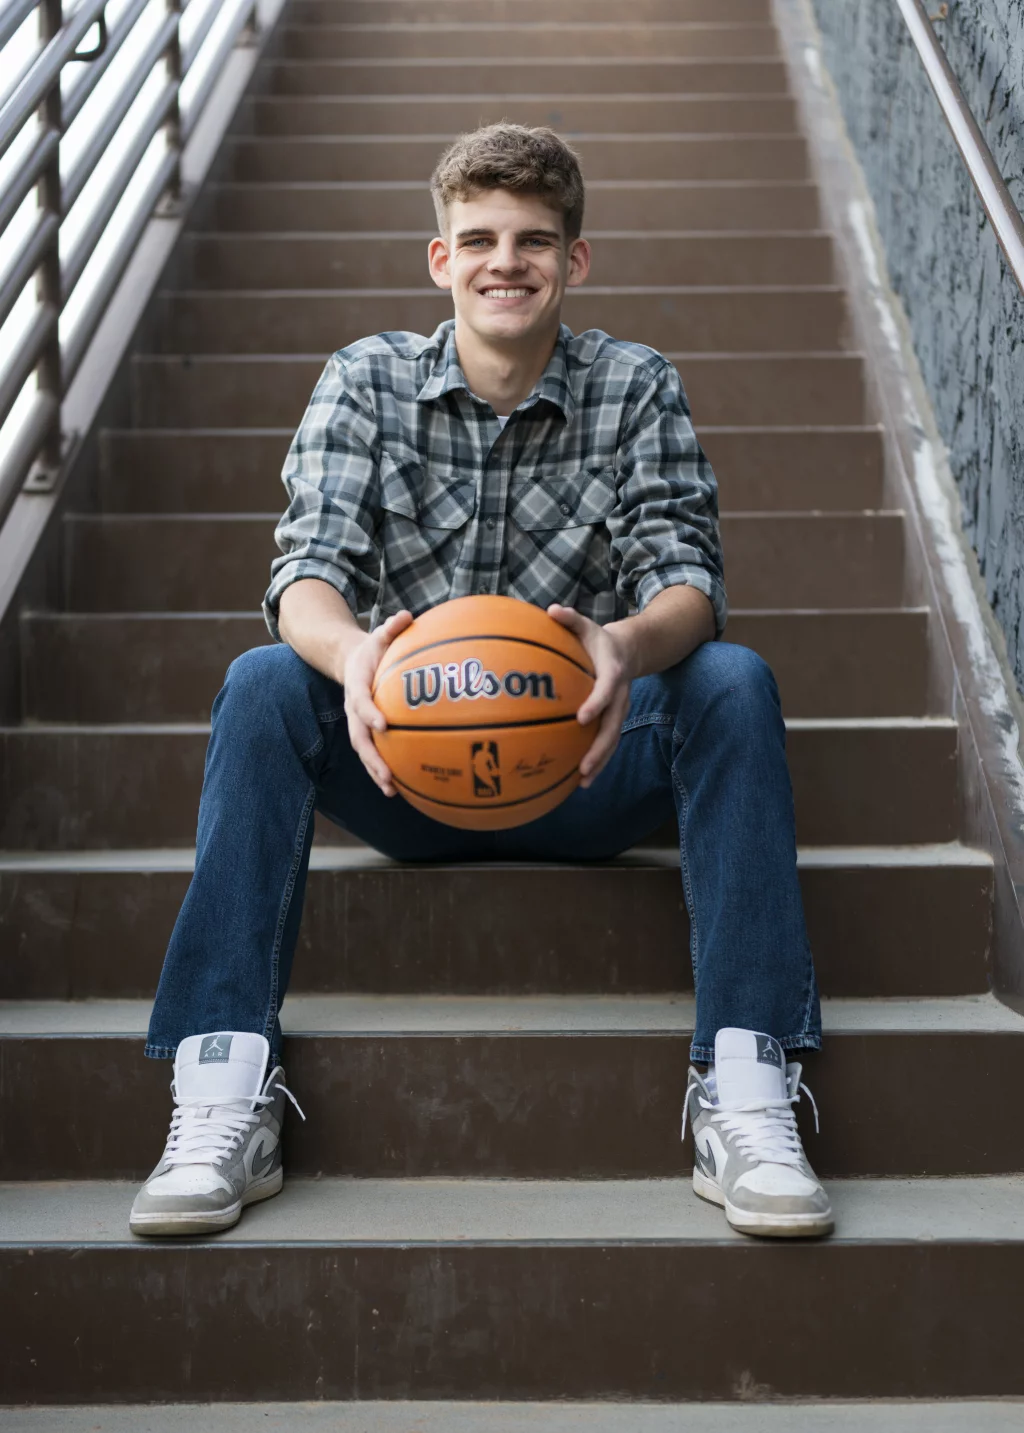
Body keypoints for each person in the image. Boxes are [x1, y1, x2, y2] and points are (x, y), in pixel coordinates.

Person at [130, 124, 832, 1241]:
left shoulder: (634, 385)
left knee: (730, 679)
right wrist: (358, 656)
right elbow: (304, 573)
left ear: (576, 260)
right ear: (439, 258)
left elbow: (688, 580)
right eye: (480, 239)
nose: (507, 261)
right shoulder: (363, 381)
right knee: (264, 678)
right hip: (400, 773)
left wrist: (621, 648)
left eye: (534, 241)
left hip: (589, 766)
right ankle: (224, 1084)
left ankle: (744, 1086)